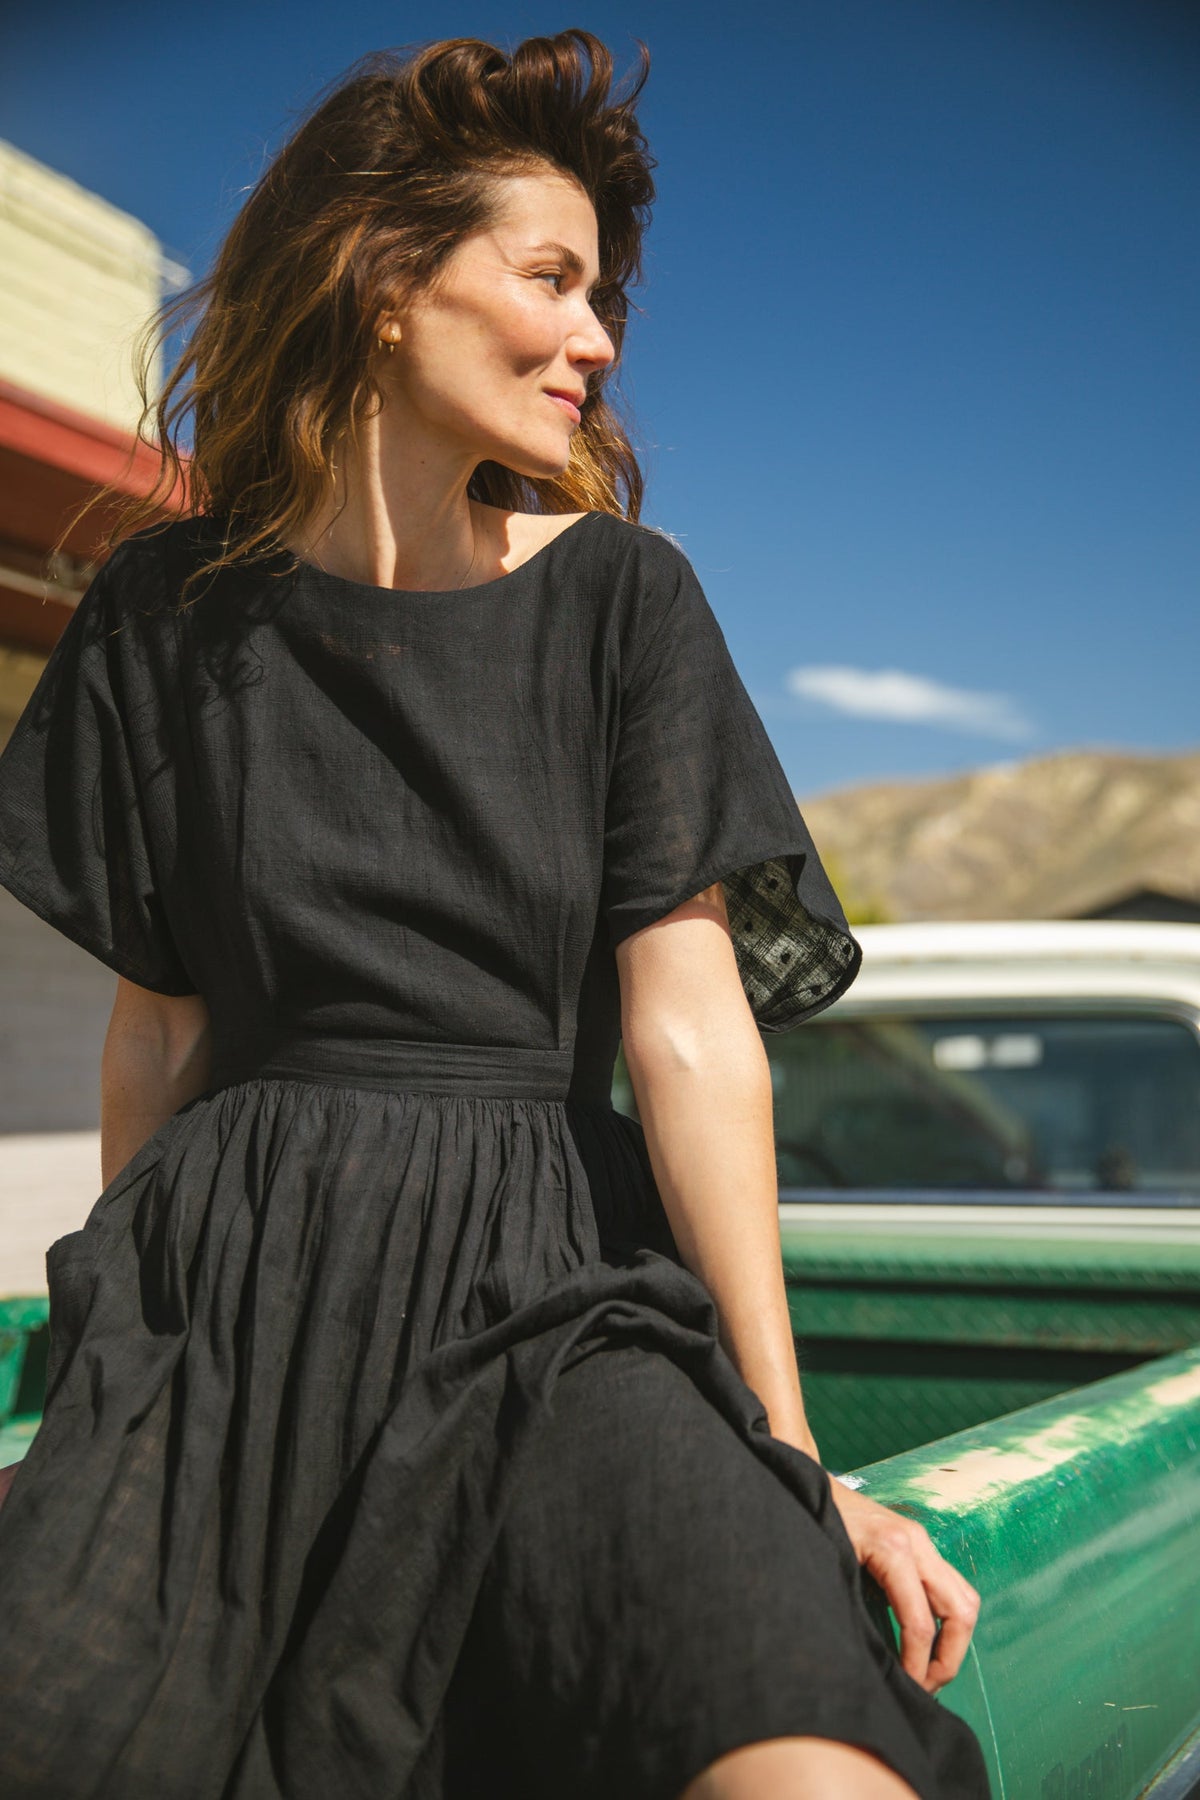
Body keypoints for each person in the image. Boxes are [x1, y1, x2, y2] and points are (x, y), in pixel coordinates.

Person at [0, 30, 990, 1800]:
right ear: (387, 280)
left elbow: (690, 1037)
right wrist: (114, 1367)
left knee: (792, 1729)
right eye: (552, 280)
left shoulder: (625, 602)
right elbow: (158, 1033)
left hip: (559, 1283)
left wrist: (788, 1451)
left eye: (604, 298)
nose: (598, 341)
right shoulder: (159, 612)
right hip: (227, 1295)